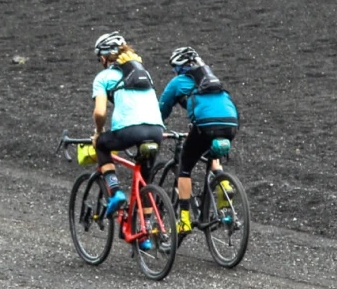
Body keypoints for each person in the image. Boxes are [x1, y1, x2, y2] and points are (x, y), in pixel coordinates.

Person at [159, 46, 239, 233]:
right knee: (212, 152)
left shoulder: (178, 82)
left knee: (185, 168)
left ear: (178, 68)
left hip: (205, 126)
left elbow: (162, 110)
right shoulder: (212, 79)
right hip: (230, 124)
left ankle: (184, 220)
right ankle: (223, 185)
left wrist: (156, 128)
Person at [89, 31, 166, 221]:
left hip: (130, 130)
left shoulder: (103, 77)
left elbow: (99, 112)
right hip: (156, 129)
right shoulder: (143, 73)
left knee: (101, 145)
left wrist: (99, 132)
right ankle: (145, 231)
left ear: (105, 57)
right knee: (144, 180)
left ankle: (115, 192)